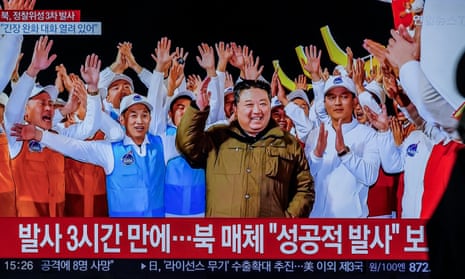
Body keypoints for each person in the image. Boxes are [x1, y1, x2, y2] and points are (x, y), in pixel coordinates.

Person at [176, 78, 314, 217]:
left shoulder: (288, 143)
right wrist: (198, 109)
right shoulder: (217, 137)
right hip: (225, 234)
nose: (257, 111)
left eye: (263, 104)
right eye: (249, 104)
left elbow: (304, 188)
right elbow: (187, 145)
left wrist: (287, 222)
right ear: (235, 108)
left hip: (268, 235)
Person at [11, 93, 166, 217]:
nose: (139, 121)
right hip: (116, 229)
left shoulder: (161, 144)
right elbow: (74, 147)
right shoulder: (109, 149)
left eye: (144, 115)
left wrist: (92, 96)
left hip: (153, 233)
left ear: (150, 119)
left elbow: (113, 130)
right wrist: (40, 134)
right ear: (122, 119)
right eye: (133, 115)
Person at [304, 75, 380, 218]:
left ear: (355, 101)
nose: (337, 103)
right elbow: (304, 177)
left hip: (351, 224)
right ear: (325, 102)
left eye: (344, 97)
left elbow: (370, 177)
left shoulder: (368, 135)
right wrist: (317, 155)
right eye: (331, 98)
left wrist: (344, 153)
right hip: (315, 221)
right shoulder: (315, 134)